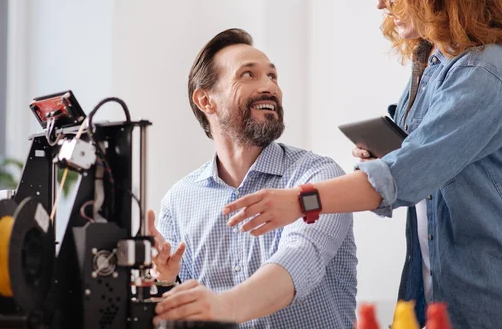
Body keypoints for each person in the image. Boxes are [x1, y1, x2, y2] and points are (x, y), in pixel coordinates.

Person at [222, 0, 502, 327]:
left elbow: (402, 176)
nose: (379, 1)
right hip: (437, 293)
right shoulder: (433, 62)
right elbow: (411, 155)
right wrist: (387, 152)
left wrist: (299, 202)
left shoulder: (485, 72)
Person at [148, 28, 357, 328]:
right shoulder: (179, 201)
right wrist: (166, 281)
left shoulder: (318, 179)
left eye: (272, 76)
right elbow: (180, 311)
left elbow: (300, 259)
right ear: (206, 100)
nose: (270, 87)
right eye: (248, 75)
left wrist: (225, 306)